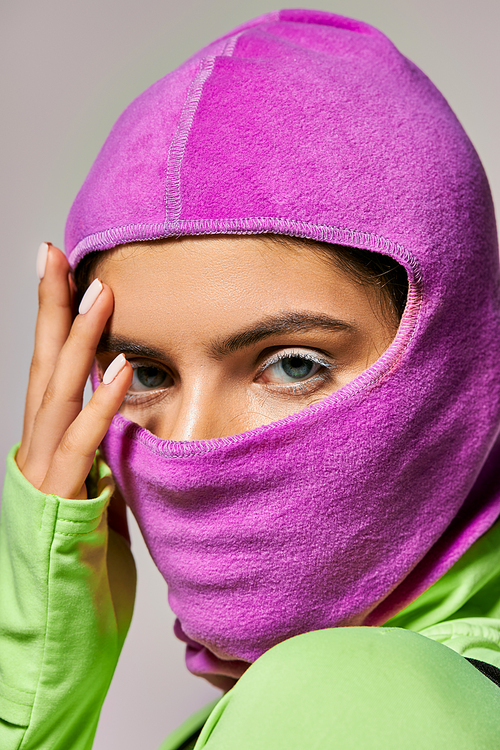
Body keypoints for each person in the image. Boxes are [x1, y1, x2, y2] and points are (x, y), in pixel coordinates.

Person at [1, 8, 500, 749]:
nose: (193, 443)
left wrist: (28, 698)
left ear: (453, 366)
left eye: (293, 364)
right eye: (144, 372)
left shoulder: (358, 698)